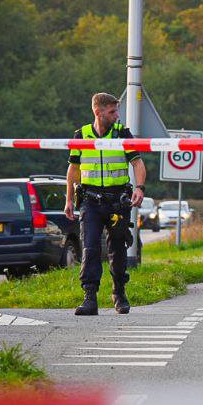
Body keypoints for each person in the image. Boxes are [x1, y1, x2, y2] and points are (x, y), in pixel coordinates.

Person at [63, 93, 146, 315]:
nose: (117, 115)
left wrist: (139, 187)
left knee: (117, 249)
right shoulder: (82, 134)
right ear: (98, 112)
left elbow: (137, 163)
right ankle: (89, 298)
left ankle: (119, 293)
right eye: (112, 112)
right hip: (89, 201)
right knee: (90, 248)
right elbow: (73, 170)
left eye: (117, 111)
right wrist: (69, 199)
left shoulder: (122, 133)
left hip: (117, 201)